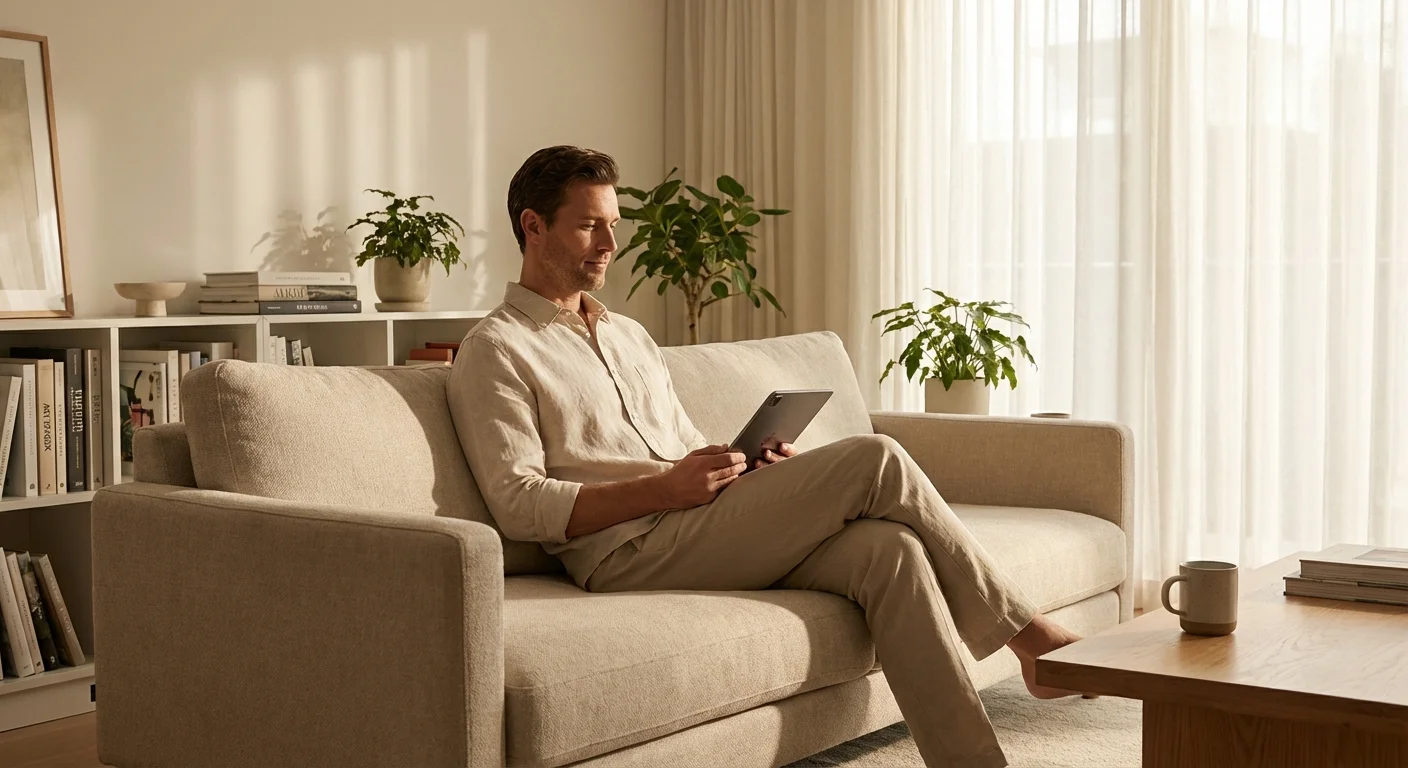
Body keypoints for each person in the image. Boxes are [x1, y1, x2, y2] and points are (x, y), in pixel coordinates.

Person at [447, 145, 1085, 768]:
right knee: (875, 458)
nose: (611, 246)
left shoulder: (629, 334)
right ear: (533, 227)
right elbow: (519, 505)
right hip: (624, 551)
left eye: (614, 226)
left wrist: (742, 469)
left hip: (693, 522)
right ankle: (1031, 640)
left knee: (890, 551)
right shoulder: (495, 349)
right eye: (590, 227)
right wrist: (667, 490)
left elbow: (678, 449)